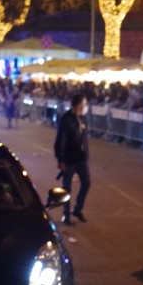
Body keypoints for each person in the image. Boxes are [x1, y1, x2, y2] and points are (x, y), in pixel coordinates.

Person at [54, 93, 91, 225]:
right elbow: (60, 141)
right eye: (84, 103)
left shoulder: (82, 118)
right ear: (78, 105)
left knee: (86, 183)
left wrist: (86, 154)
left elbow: (84, 138)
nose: (86, 106)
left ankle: (77, 210)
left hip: (81, 159)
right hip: (69, 160)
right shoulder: (66, 119)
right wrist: (60, 160)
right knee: (67, 189)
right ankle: (66, 215)